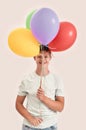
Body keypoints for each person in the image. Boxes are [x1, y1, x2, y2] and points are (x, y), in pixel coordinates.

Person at [15, 45, 65, 130]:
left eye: (45, 56)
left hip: (50, 126)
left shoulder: (56, 79)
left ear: (50, 58)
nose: (42, 59)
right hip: (30, 127)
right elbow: (18, 104)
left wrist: (44, 98)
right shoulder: (27, 79)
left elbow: (60, 107)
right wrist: (30, 118)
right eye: (39, 56)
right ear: (34, 58)